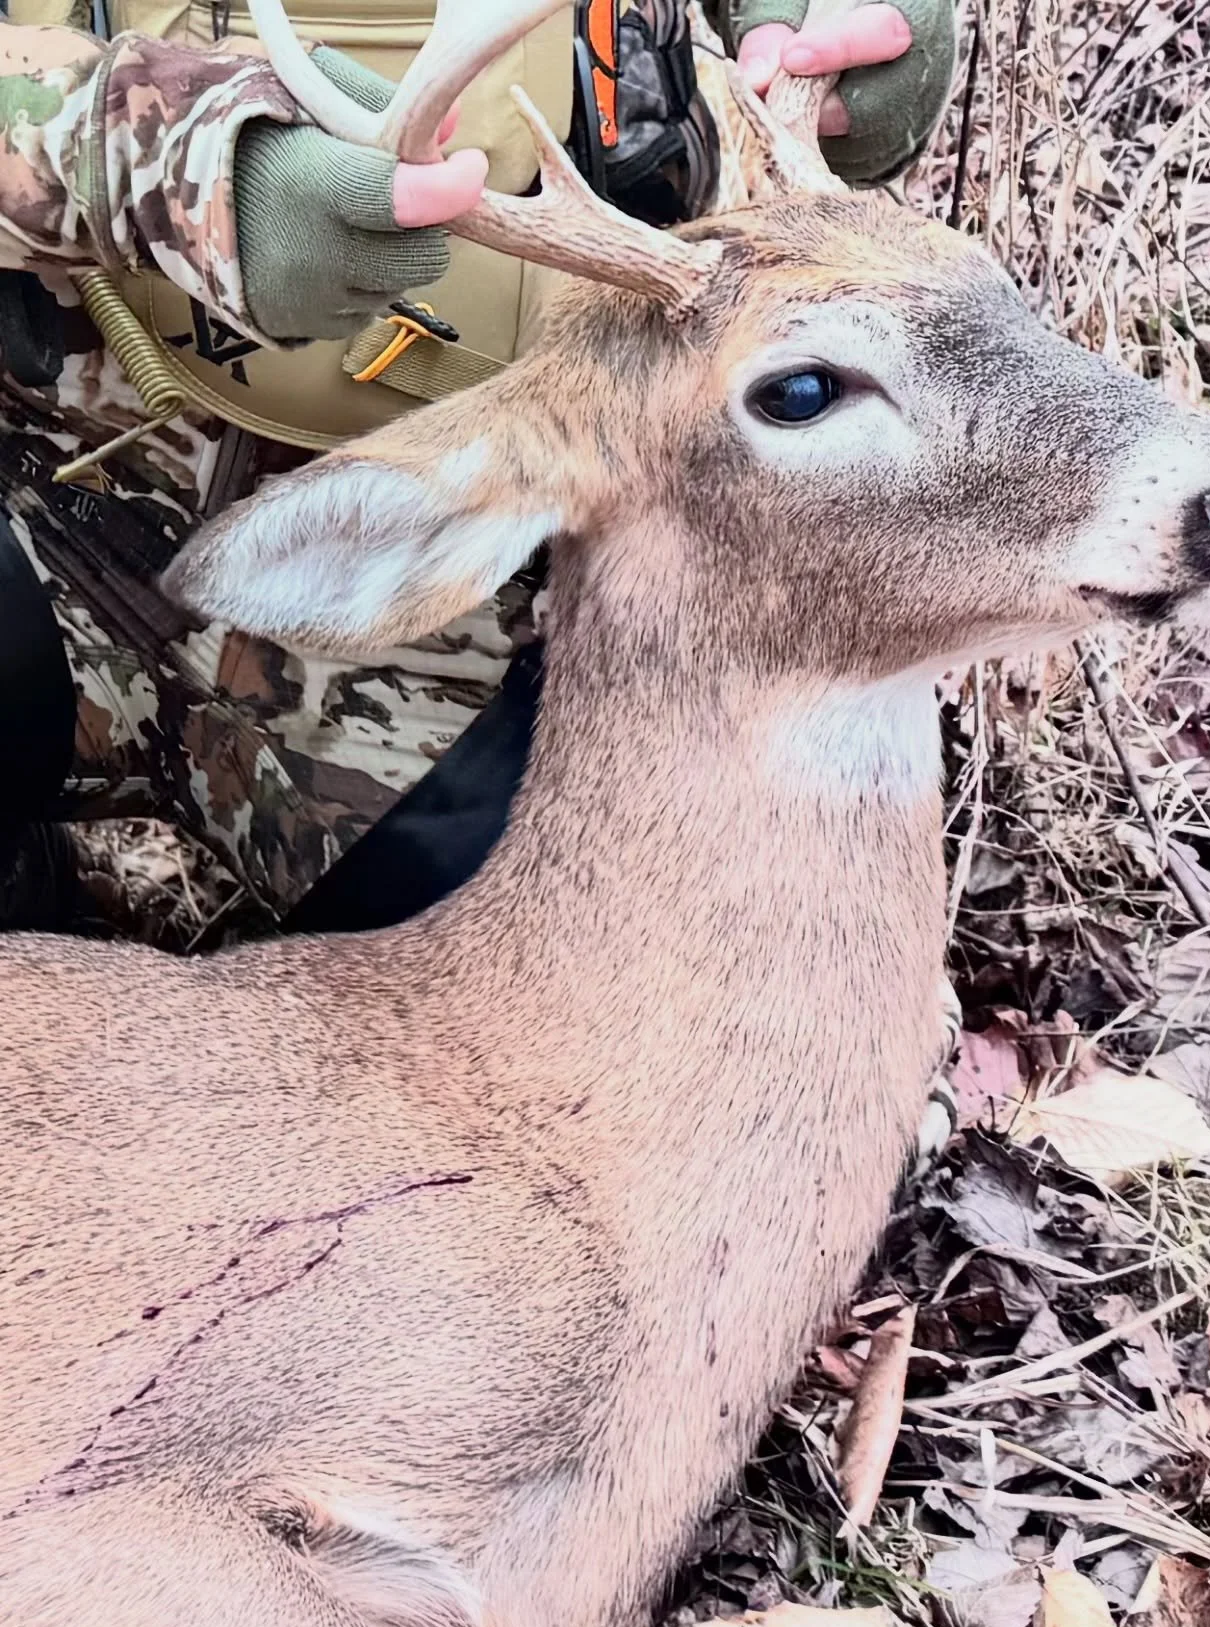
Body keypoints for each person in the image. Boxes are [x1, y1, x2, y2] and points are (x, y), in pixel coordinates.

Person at [0, 0, 955, 935]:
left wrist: (841, 32)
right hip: (45, 463)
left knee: (585, 955)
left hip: (468, 522)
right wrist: (165, 158)